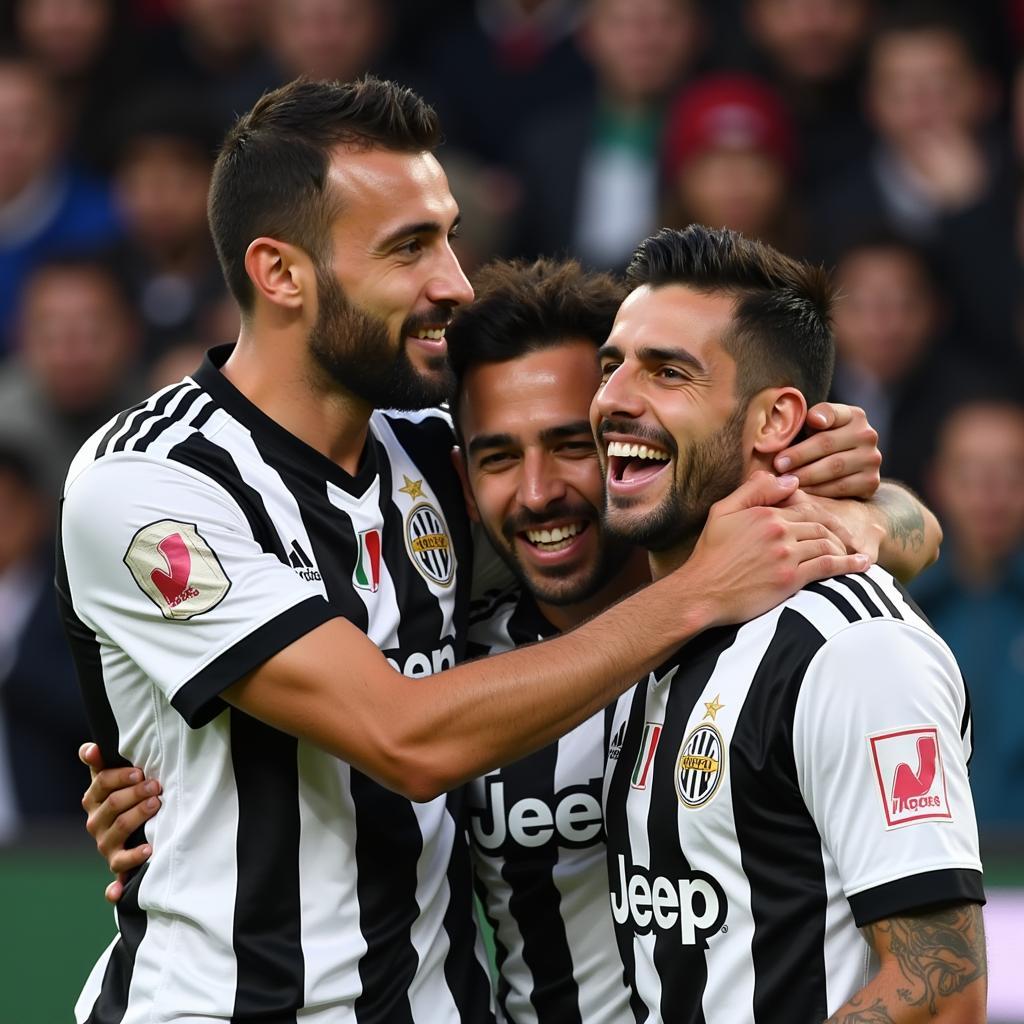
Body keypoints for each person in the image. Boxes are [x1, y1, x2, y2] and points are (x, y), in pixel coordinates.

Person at [60, 77, 869, 1023]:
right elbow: (404, 737)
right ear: (281, 273)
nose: (454, 281)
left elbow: (698, 506)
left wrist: (851, 497)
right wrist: (699, 592)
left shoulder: (438, 464)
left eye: (447, 235)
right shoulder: (148, 487)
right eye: (409, 248)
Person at [597, 225, 985, 1021]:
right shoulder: (660, 626)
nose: (614, 399)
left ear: (776, 421)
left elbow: (941, 990)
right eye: (613, 366)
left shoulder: (855, 648)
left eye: (668, 372)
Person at [912, 397, 1024, 835]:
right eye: (972, 475)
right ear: (938, 482)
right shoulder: (902, 612)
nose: (991, 495)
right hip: (934, 870)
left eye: (1011, 475)